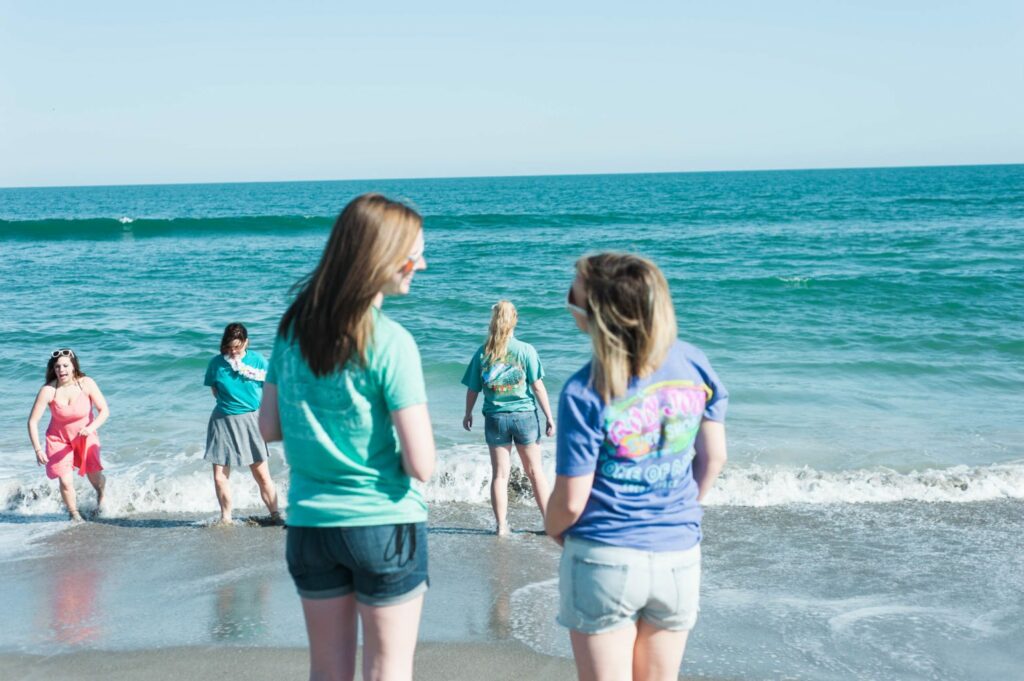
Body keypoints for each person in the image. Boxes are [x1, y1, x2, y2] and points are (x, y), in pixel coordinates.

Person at [259, 193, 435, 681]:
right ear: (378, 256)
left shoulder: (292, 330)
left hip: (311, 525)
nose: (421, 263)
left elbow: (269, 427)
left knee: (328, 671)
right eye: (413, 252)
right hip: (384, 523)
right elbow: (422, 465)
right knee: (388, 669)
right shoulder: (391, 341)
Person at [544, 253, 729, 681]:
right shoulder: (694, 363)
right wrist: (678, 508)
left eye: (574, 290)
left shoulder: (585, 388)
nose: (567, 296)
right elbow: (714, 458)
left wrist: (555, 528)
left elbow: (571, 500)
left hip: (603, 557)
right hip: (679, 556)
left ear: (600, 311)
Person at [461, 300, 554, 535]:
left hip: (495, 418)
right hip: (525, 417)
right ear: (515, 320)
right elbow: (538, 387)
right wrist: (549, 417)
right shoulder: (525, 350)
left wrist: (468, 413)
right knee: (535, 472)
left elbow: (473, 388)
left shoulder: (483, 352)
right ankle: (550, 524)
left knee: (500, 475)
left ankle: (502, 526)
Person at [203, 322, 281, 526]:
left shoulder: (258, 361)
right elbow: (215, 391)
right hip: (222, 421)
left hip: (251, 420)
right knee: (220, 476)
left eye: (237, 347)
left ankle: (275, 515)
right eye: (229, 347)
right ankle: (226, 518)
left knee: (261, 474)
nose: (233, 351)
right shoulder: (216, 363)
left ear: (247, 342)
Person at [27, 349, 109, 521]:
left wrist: (90, 427)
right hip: (59, 440)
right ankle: (75, 515)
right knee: (65, 481)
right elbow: (32, 422)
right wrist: (37, 449)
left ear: (73, 367)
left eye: (65, 365)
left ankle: (101, 494)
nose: (61, 370)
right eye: (57, 367)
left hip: (86, 436)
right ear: (53, 369)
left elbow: (104, 411)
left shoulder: (86, 383)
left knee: (94, 477)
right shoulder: (48, 390)